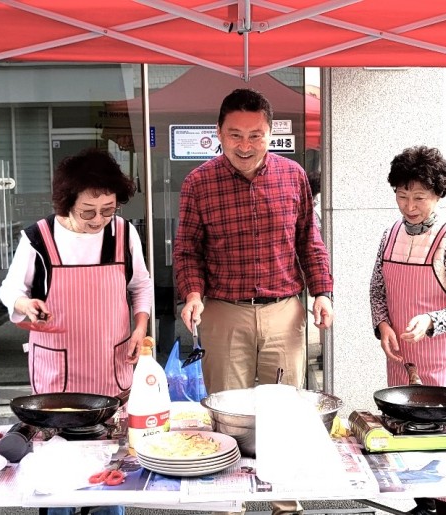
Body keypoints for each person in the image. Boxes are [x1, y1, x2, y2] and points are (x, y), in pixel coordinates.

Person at [173, 88, 334, 515]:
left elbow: (309, 242)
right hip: (224, 311)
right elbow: (187, 250)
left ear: (270, 133)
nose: (245, 145)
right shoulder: (198, 183)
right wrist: (192, 293)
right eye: (235, 135)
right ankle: (230, 502)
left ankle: (285, 501)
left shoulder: (293, 175)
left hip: (285, 311)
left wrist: (322, 291)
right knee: (227, 412)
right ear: (218, 134)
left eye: (256, 135)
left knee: (285, 410)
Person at [0, 147, 154, 515]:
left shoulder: (123, 234)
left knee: (110, 466)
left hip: (109, 363)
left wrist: (139, 328)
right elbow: (10, 290)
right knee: (59, 477)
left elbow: (141, 286)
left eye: (108, 209)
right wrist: (25, 305)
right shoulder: (38, 239)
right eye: (88, 212)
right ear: (65, 203)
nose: (99, 219)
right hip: (58, 377)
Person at [368, 145, 446, 515]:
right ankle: (422, 506)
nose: (409, 206)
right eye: (402, 196)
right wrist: (382, 325)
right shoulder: (390, 234)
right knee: (410, 444)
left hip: (443, 364)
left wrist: (432, 321)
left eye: (419, 197)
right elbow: (377, 288)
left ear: (438, 194)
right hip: (402, 359)